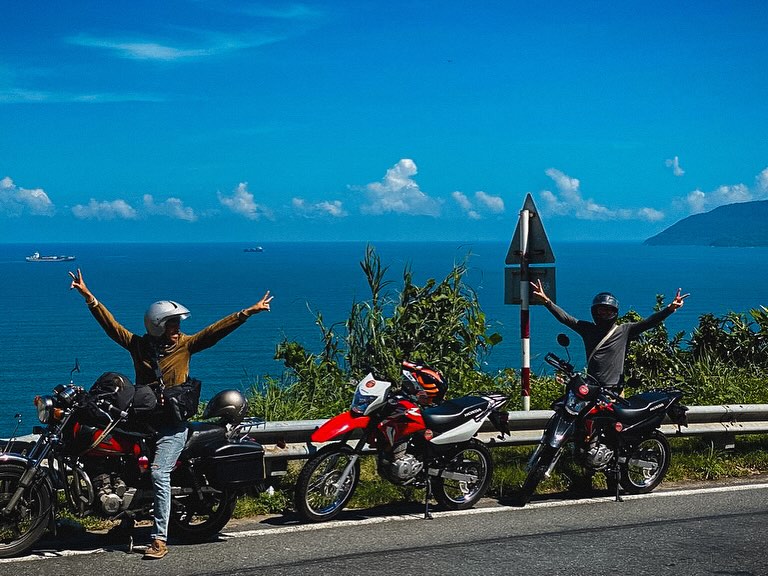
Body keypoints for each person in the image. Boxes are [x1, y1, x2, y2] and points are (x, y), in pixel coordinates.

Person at [68, 268, 273, 560]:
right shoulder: (139, 346)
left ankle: (159, 539)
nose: (177, 329)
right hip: (140, 421)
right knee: (116, 459)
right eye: (172, 324)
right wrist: (89, 297)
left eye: (177, 324)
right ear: (157, 326)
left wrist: (246, 313)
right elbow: (112, 327)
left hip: (172, 425)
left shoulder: (186, 345)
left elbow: (213, 332)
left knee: (158, 473)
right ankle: (126, 517)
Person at [530, 280, 689, 391]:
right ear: (595, 312)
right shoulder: (587, 329)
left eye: (609, 310)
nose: (605, 313)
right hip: (592, 388)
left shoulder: (624, 330)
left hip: (614, 391)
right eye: (602, 310)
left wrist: (670, 308)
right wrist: (547, 302)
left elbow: (649, 322)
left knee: (615, 431)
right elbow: (565, 318)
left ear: (615, 312)